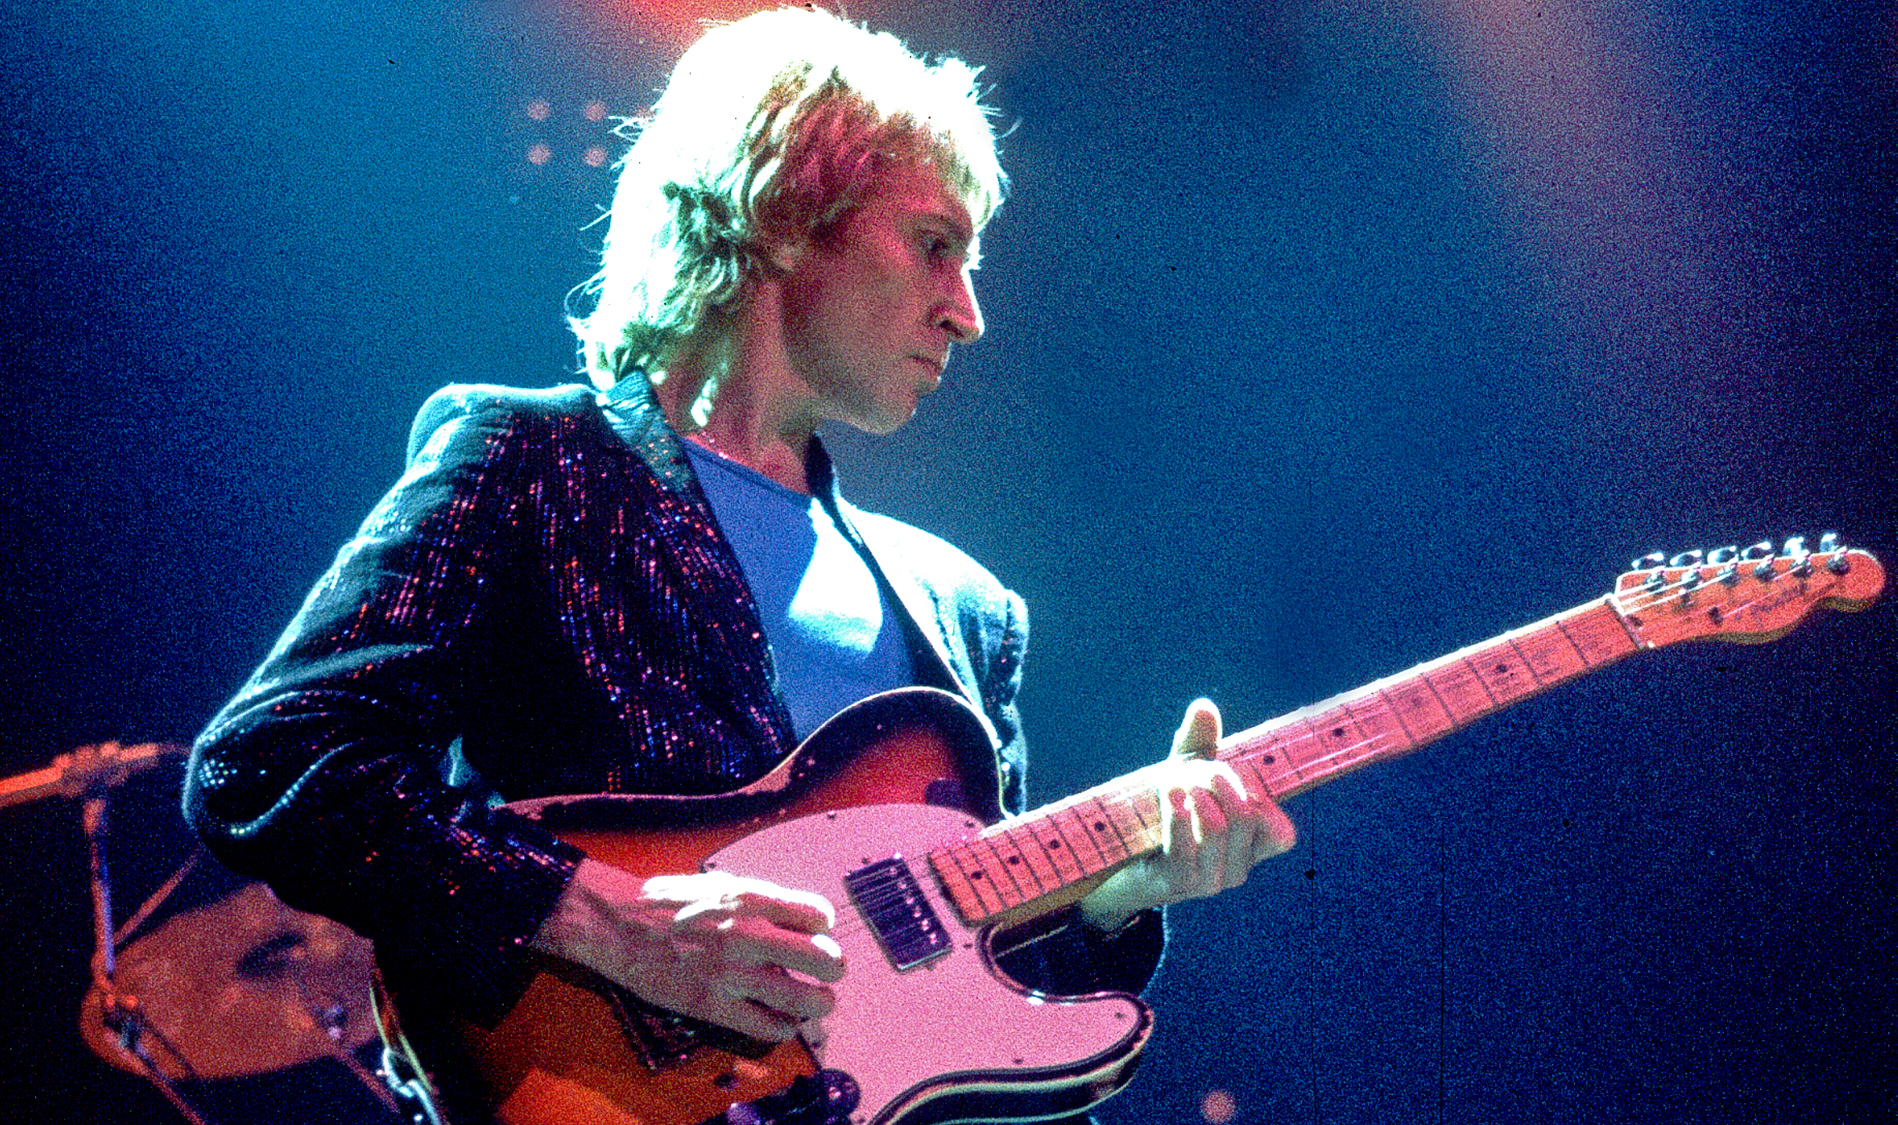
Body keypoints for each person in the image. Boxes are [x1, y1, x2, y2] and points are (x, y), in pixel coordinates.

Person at [184, 8, 1295, 1124]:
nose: (967, 312)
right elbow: (266, 764)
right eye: (933, 244)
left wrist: (1114, 903)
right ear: (781, 214)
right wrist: (611, 925)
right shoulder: (537, 469)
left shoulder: (963, 609)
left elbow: (989, 1023)